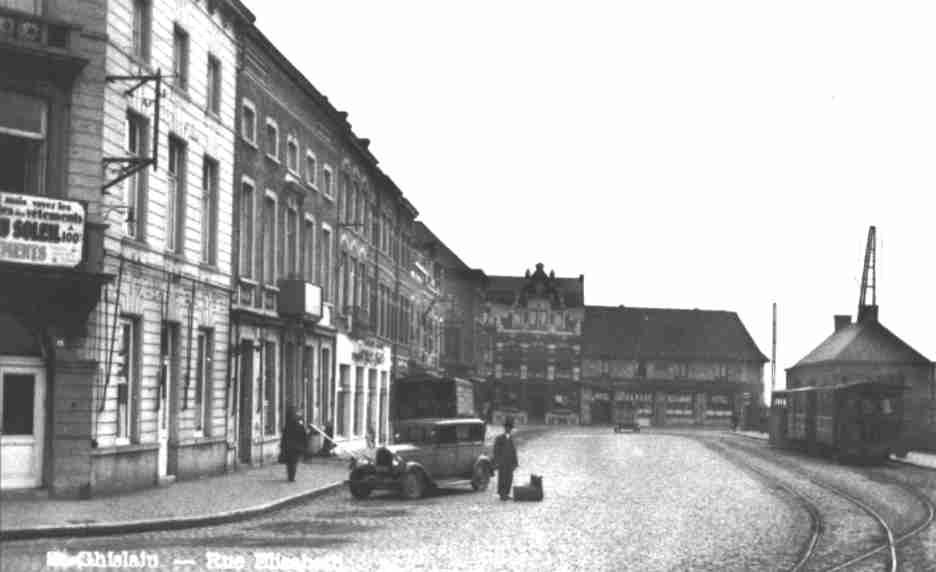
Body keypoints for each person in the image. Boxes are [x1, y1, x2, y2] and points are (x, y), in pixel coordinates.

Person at [492, 417, 518, 501]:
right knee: (502, 478)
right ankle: (502, 494)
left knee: (509, 478)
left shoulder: (511, 439)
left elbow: (514, 451)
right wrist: (497, 461)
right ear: (505, 428)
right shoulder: (499, 438)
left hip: (510, 462)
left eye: (510, 428)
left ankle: (506, 493)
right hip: (502, 462)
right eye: (507, 427)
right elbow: (496, 451)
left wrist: (515, 463)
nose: (508, 429)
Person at [281, 406, 308, 482]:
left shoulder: (288, 423)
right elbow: (303, 434)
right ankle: (291, 477)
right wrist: (305, 445)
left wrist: (282, 445)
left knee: (289, 462)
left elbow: (284, 435)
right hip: (296, 446)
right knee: (294, 461)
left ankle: (290, 476)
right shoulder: (299, 423)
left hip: (288, 445)